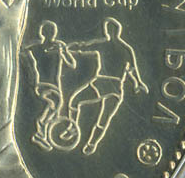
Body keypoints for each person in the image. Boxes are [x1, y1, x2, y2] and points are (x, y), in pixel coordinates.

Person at [68, 18, 149, 155]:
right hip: (116, 88)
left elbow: (85, 47)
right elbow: (131, 70)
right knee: (103, 120)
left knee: (75, 102)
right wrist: (137, 83)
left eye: (107, 30)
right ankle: (91, 144)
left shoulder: (104, 45)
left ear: (110, 31)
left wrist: (72, 48)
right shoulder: (126, 49)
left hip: (101, 83)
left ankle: (72, 128)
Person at [22, 21, 76, 150]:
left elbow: (72, 64)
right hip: (43, 84)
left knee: (55, 109)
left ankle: (45, 135)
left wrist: (63, 52)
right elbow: (22, 49)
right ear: (43, 33)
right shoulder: (37, 48)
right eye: (48, 32)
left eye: (51, 32)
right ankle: (40, 131)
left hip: (55, 85)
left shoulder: (57, 48)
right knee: (55, 103)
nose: (50, 35)